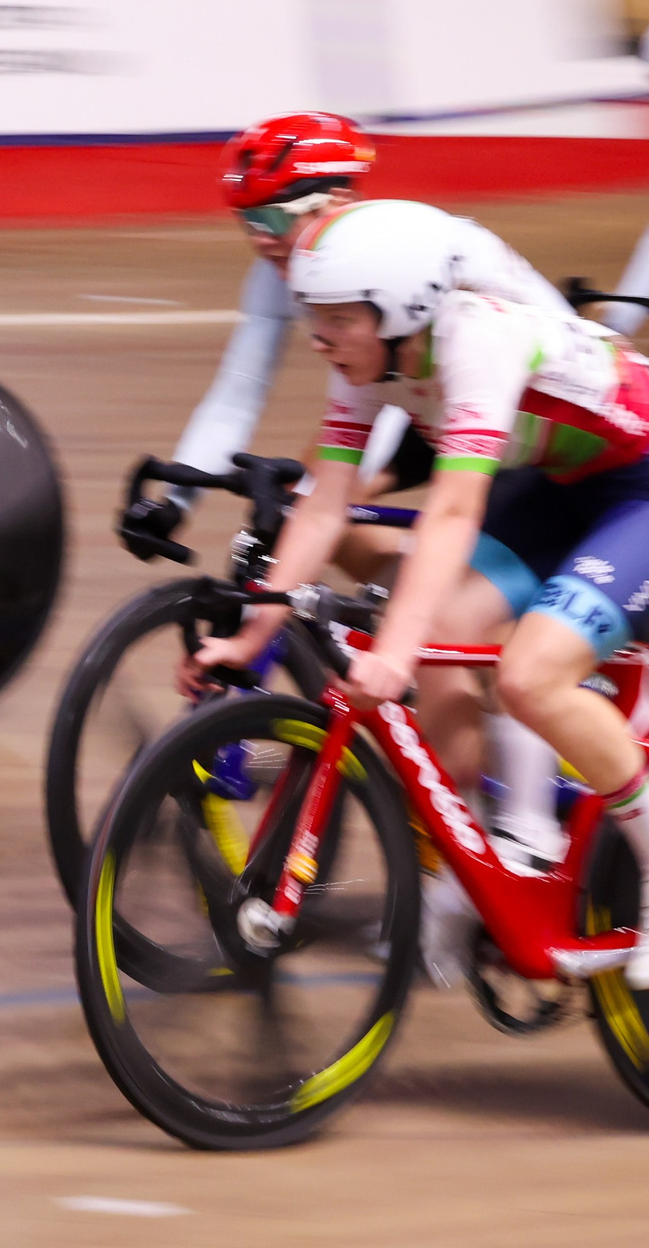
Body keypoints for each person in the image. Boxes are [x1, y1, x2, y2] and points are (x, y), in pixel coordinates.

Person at [185, 198, 649, 987]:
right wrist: (253, 632)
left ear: (397, 312)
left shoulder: (479, 342)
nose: (318, 336)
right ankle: (470, 862)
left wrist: (392, 647)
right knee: (441, 632)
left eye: (336, 318)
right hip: (568, 485)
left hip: (637, 486)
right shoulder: (373, 358)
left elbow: (456, 509)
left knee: (531, 673)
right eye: (312, 315)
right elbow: (323, 505)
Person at [129, 112, 574, 871]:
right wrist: (178, 503)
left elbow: (490, 387)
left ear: (329, 200)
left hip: (519, 414)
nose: (260, 239)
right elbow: (239, 392)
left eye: (270, 217)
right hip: (416, 400)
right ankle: (439, 691)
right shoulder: (298, 273)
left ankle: (492, 751)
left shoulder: (412, 257)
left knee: (431, 595)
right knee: (328, 522)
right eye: (245, 221)